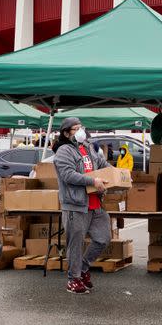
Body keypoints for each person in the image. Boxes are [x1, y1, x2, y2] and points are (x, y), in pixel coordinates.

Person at [53, 117, 111, 295]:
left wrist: (118, 174)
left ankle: (83, 268)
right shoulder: (64, 151)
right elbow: (68, 175)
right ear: (66, 133)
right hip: (75, 204)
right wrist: (92, 180)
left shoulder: (88, 147)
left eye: (81, 127)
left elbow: (102, 164)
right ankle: (73, 279)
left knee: (103, 238)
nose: (80, 131)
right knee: (75, 244)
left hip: (95, 203)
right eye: (75, 129)